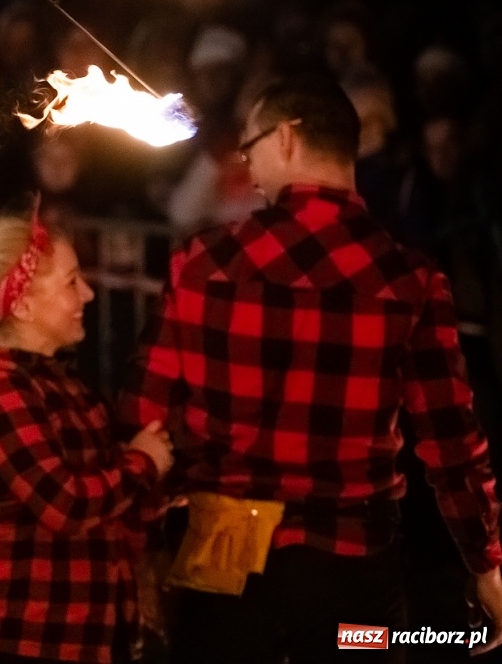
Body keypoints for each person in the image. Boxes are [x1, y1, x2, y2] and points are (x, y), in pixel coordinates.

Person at [117, 74, 502, 664]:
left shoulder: (202, 263)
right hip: (349, 562)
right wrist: (487, 559)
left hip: (220, 550)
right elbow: (451, 440)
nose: (246, 167)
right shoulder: (409, 281)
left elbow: (146, 411)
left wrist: (139, 544)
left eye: (250, 148)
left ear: (289, 138)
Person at [0, 208, 173, 664]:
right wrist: (143, 463)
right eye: (71, 282)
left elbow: (105, 491)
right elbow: (64, 502)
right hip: (28, 635)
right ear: (24, 304)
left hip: (84, 635)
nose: (87, 294)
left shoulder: (59, 380)